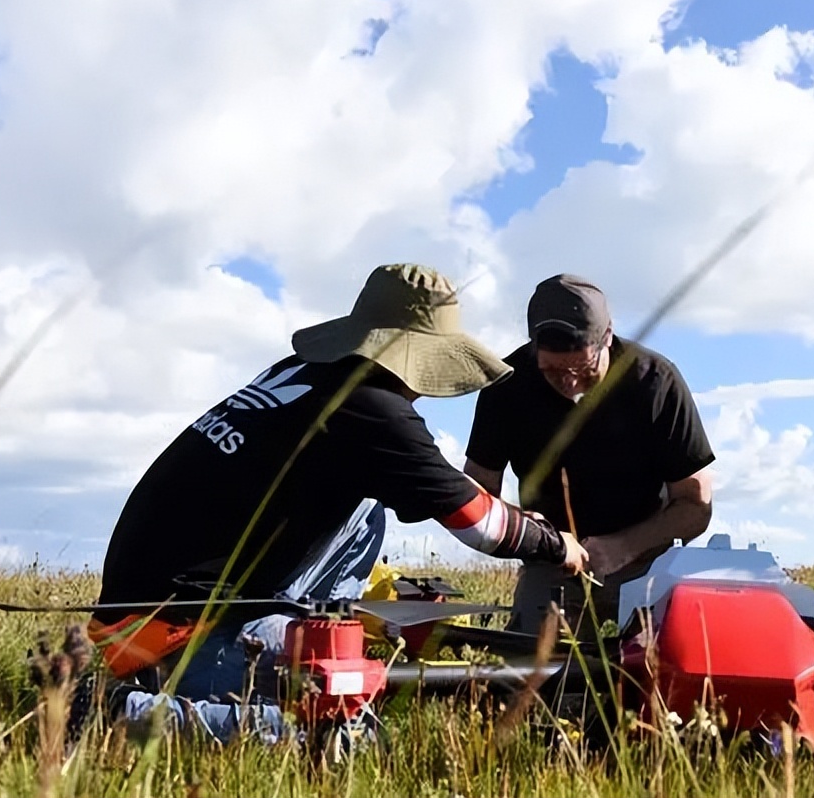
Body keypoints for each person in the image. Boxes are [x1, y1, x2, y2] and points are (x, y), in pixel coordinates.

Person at [92, 264, 587, 705]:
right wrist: (555, 544)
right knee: (337, 718)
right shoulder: (374, 413)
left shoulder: (304, 373)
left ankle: (317, 627)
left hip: (143, 601)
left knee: (363, 512)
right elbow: (481, 529)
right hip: (171, 635)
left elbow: (445, 493)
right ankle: (116, 708)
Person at [464, 274, 715, 636]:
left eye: (581, 369)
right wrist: (538, 540)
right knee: (536, 669)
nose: (568, 383)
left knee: (665, 665)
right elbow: (476, 494)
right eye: (551, 370)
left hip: (648, 558)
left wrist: (624, 547)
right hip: (552, 560)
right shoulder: (506, 386)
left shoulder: (657, 383)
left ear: (607, 337)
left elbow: (696, 506)